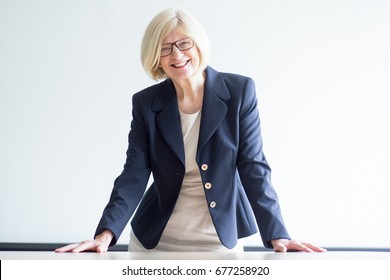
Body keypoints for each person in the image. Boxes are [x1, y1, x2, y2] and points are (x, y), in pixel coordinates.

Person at [56, 8, 326, 254]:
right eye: (164, 48)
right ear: (155, 58)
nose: (177, 54)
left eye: (184, 43)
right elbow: (134, 173)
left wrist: (278, 233)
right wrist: (106, 234)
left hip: (218, 239)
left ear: (199, 44)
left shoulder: (240, 92)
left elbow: (253, 166)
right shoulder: (145, 103)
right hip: (155, 240)